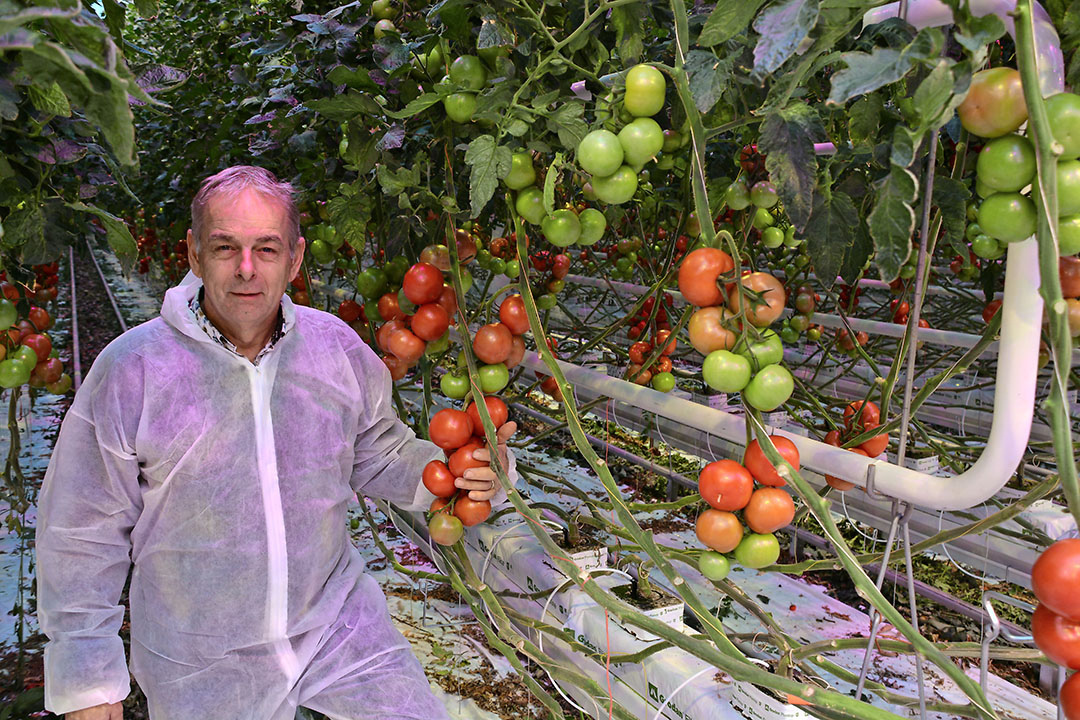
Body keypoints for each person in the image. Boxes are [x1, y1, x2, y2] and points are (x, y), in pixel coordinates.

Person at [36, 165, 518, 720]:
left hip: (336, 626)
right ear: (193, 253)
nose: (247, 269)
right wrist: (89, 682)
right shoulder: (134, 370)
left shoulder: (333, 348)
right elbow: (81, 532)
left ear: (295, 258)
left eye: (267, 249)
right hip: (201, 657)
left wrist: (468, 472)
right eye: (225, 247)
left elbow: (381, 454)